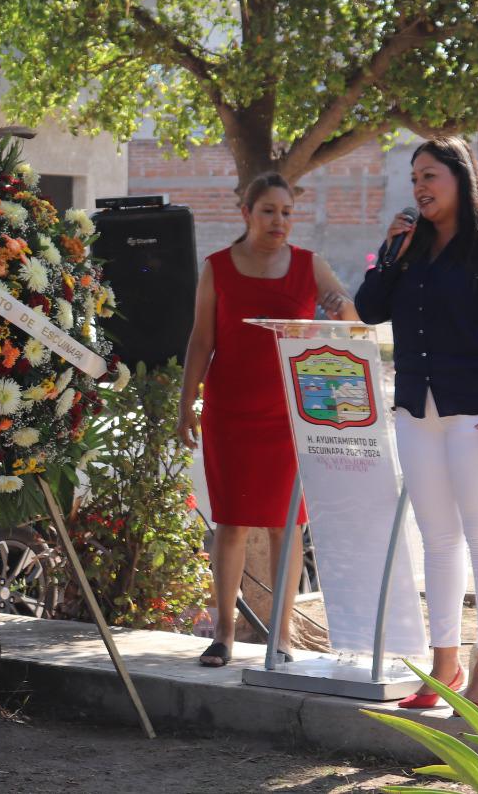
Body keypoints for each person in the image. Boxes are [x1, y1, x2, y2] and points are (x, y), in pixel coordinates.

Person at [355, 136, 478, 713]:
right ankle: (444, 665)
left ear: (461, 178)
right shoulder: (410, 249)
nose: (419, 187)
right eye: (414, 178)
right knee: (437, 541)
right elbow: (368, 310)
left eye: (430, 175)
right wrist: (390, 252)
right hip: (419, 413)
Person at [178, 171, 359, 666]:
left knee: (286, 524)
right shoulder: (217, 267)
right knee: (232, 523)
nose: (279, 221)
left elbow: (351, 325)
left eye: (287, 212)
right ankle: (224, 634)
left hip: (290, 415)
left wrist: (340, 306)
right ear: (246, 213)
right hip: (230, 411)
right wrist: (186, 402)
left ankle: (282, 637)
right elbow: (201, 339)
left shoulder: (309, 264)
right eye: (268, 211)